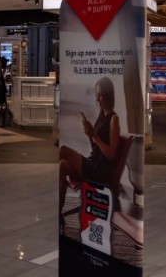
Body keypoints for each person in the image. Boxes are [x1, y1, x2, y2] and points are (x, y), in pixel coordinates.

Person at [58, 76, 121, 235]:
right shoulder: (102, 117)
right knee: (62, 165)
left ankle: (59, 213)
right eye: (96, 94)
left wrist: (94, 135)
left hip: (100, 170)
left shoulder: (114, 119)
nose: (98, 98)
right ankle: (59, 213)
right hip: (94, 163)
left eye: (100, 94)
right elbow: (96, 149)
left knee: (63, 150)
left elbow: (111, 155)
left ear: (108, 95)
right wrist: (89, 134)